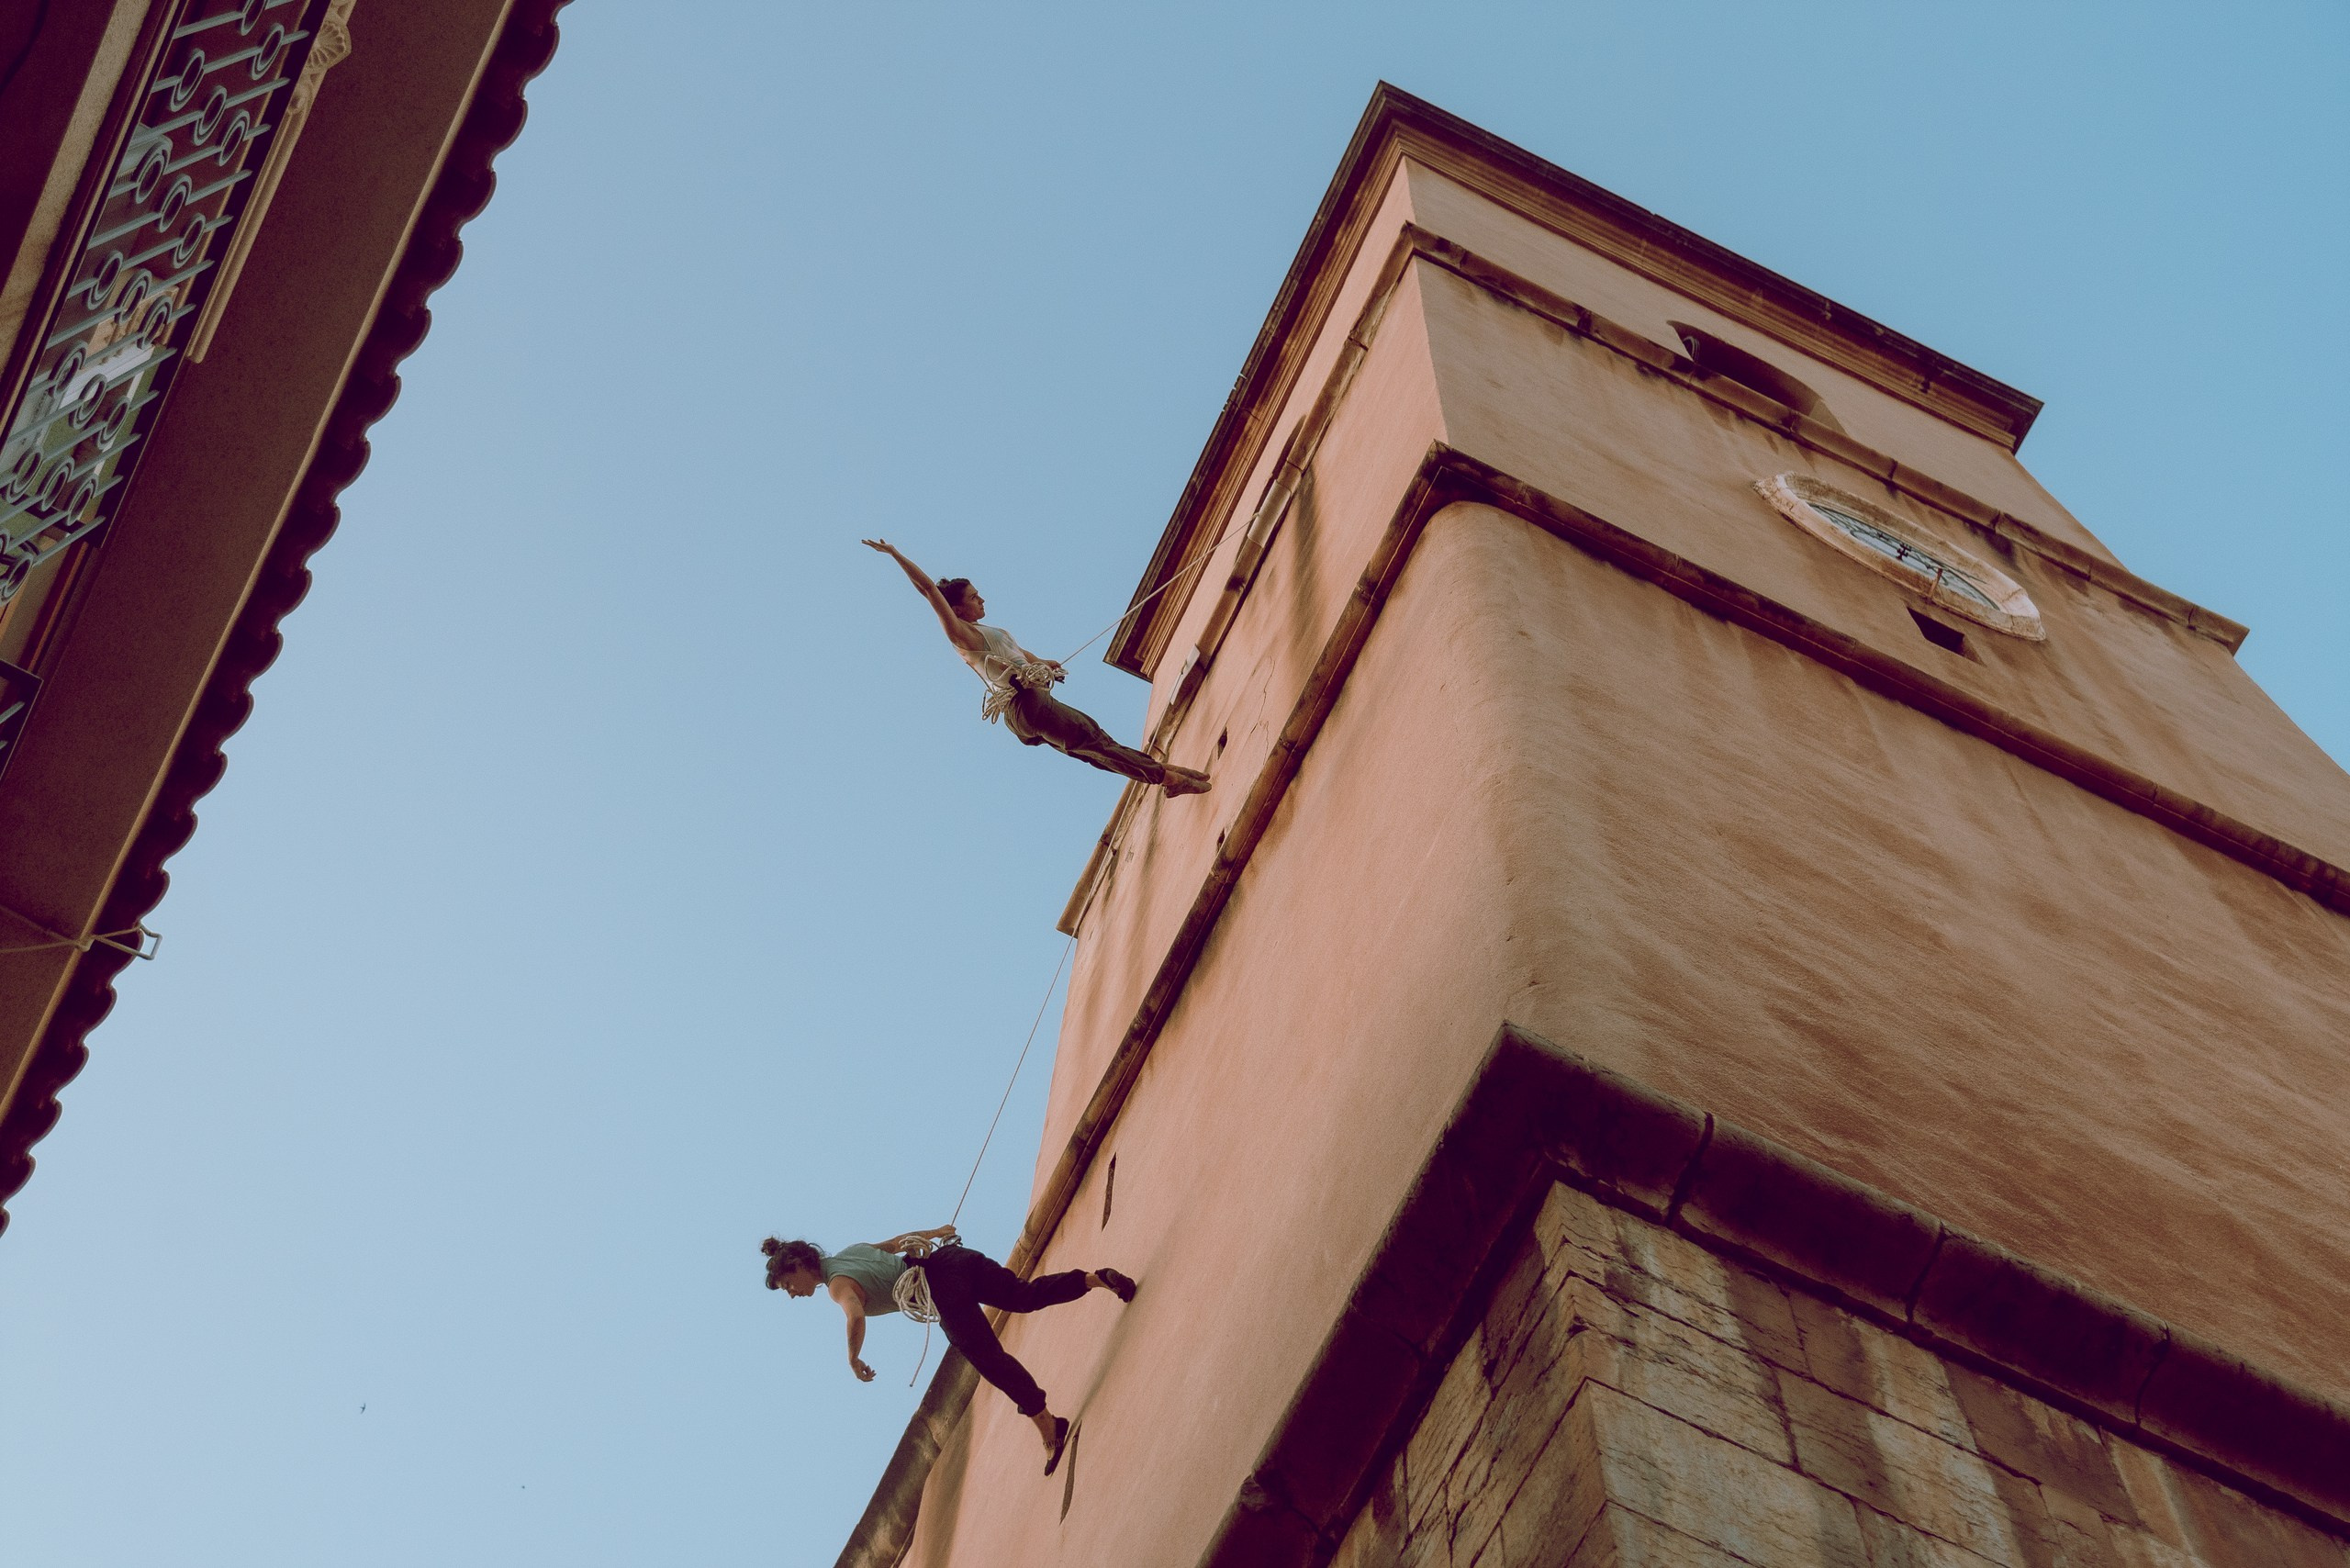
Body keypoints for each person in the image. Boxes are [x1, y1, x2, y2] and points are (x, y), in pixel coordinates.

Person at [763, 1226, 1136, 1475]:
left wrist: (852, 1357)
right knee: (1023, 1295)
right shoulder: (849, 1253)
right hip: (951, 1261)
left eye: (787, 1285)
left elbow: (855, 1315)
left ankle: (1049, 1426)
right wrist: (936, 1233)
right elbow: (897, 1243)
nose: (792, 1294)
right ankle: (1093, 1279)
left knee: (991, 1361)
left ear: (797, 1267)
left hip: (941, 1289)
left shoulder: (836, 1284)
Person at [862, 538, 1212, 798]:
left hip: (1035, 704)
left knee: (1094, 740)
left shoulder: (989, 631)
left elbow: (1017, 652)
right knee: (1093, 742)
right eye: (973, 598)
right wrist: (895, 555)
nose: (981, 600)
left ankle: (1161, 776)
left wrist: (1042, 662)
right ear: (956, 609)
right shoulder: (962, 635)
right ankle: (1167, 777)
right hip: (1024, 705)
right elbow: (926, 590)